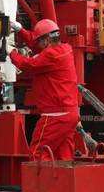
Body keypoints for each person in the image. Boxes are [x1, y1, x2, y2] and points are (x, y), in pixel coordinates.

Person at [9, 18, 79, 161]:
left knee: (38, 154)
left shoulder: (50, 55)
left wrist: (12, 54)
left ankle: (40, 177)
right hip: (70, 114)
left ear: (47, 40)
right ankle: (63, 177)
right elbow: (36, 44)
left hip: (55, 115)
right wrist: (20, 30)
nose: (38, 46)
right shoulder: (65, 49)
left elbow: (29, 65)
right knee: (64, 156)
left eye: (40, 41)